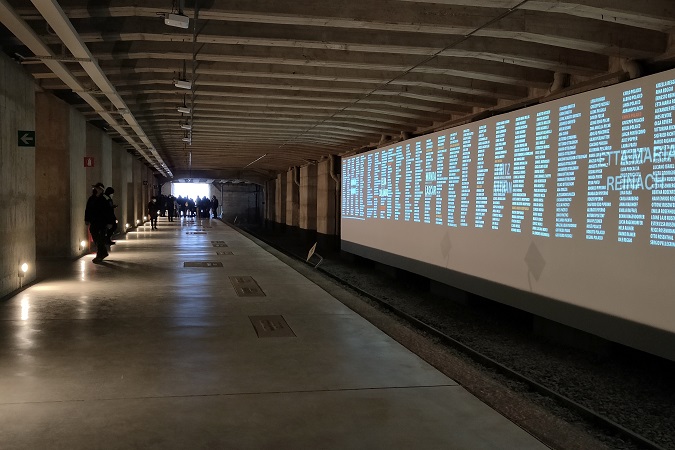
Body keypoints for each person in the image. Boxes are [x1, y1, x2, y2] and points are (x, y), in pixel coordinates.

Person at [85, 182, 115, 264]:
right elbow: (87, 209)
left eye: (97, 188)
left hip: (103, 222)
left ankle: (99, 255)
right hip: (94, 221)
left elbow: (110, 211)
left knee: (101, 238)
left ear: (101, 189)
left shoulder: (105, 198)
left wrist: (110, 222)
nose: (95, 189)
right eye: (95, 188)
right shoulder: (91, 198)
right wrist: (87, 219)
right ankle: (103, 252)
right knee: (95, 237)